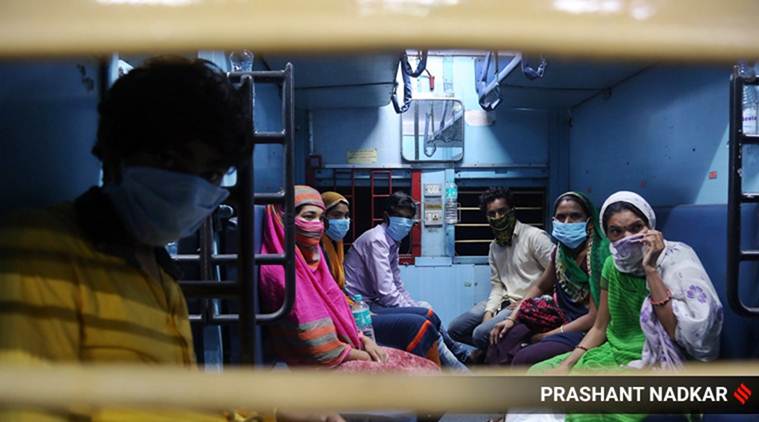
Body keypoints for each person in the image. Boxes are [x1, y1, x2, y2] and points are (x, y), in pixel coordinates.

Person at [0, 57, 330, 421]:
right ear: (113, 150)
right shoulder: (38, 257)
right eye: (170, 161)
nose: (190, 188)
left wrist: (272, 412)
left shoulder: (161, 275)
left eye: (210, 174)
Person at [521, 191, 723, 422]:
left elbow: (676, 332)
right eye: (616, 231)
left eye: (636, 228)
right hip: (613, 350)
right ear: (607, 235)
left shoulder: (674, 260)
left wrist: (650, 270)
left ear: (650, 226)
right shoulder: (612, 264)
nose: (628, 237)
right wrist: (567, 364)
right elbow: (600, 327)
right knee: (538, 375)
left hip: (657, 357)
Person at [258, 186, 438, 372]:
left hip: (350, 330)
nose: (317, 225)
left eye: (321, 218)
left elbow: (337, 301)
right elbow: (319, 347)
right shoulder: (281, 272)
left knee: (426, 334)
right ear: (284, 219)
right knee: (419, 330)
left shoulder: (314, 259)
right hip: (324, 362)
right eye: (309, 216)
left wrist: (363, 339)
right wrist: (366, 355)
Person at [342, 191, 470, 368]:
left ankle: (460, 356)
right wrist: (413, 310)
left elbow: (397, 285)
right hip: (363, 307)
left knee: (425, 307)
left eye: (409, 218)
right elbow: (386, 292)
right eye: (400, 216)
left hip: (376, 301)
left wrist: (413, 306)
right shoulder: (376, 240)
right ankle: (460, 365)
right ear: (386, 216)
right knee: (426, 320)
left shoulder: (392, 241)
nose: (405, 222)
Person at [485, 192, 607, 367]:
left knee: (523, 358)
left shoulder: (598, 257)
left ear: (589, 221)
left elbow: (593, 318)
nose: (567, 222)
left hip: (582, 328)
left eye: (575, 216)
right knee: (501, 339)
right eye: (561, 217)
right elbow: (541, 286)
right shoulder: (560, 252)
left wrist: (547, 335)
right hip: (559, 316)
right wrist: (512, 318)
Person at [448, 187, 554, 352]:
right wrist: (489, 311)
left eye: (502, 211)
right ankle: (493, 351)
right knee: (455, 329)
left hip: (530, 302)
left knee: (479, 334)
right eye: (492, 214)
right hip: (505, 300)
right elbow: (497, 285)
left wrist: (529, 300)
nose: (497, 217)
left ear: (512, 210)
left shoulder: (535, 237)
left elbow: (557, 274)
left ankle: (490, 354)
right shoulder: (494, 247)